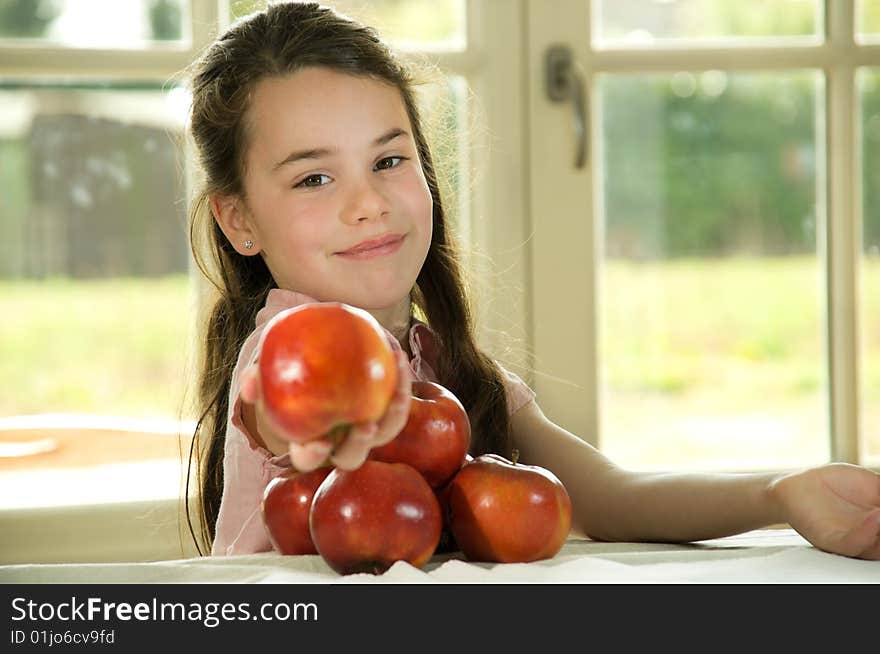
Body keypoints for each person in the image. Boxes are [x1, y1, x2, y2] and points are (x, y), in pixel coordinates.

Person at [184, 1, 880, 560]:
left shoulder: (446, 364)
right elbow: (276, 407)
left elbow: (607, 494)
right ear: (239, 220)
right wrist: (309, 416)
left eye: (390, 161)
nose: (367, 201)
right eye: (314, 177)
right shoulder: (286, 345)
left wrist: (781, 494)